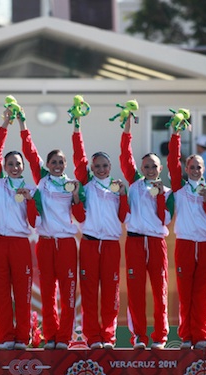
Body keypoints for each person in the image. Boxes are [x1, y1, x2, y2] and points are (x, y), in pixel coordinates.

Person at [20, 116, 84, 350]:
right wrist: (22, 125)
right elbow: (29, 152)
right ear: (47, 165)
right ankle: (51, 336)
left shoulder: (72, 185)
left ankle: (64, 338)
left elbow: (80, 216)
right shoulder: (42, 181)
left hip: (66, 243)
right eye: (53, 162)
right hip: (46, 243)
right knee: (48, 294)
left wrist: (76, 196)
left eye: (61, 161)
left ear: (65, 164)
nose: (57, 165)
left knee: (67, 295)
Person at [71, 119, 129, 350]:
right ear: (92, 169)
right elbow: (80, 216)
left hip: (111, 245)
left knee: (110, 294)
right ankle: (92, 337)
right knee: (89, 292)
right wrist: (77, 129)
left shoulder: (117, 187)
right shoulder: (86, 186)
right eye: (97, 166)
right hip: (90, 244)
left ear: (110, 166)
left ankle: (108, 336)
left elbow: (124, 217)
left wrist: (123, 195)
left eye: (105, 165)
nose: (101, 169)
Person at [119, 115, 173, 350]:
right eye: (146, 166)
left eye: (154, 166)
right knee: (136, 292)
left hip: (156, 243)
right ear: (141, 169)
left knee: (160, 292)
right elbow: (124, 155)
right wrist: (128, 127)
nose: (150, 170)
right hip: (134, 243)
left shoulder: (168, 192)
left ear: (161, 168)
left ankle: (160, 337)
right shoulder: (134, 184)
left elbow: (165, 219)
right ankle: (139, 337)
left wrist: (161, 196)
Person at [0, 109, 38, 351]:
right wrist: (6, 124)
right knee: (0, 292)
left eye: (18, 163)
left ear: (23, 166)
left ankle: (22, 338)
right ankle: (5, 337)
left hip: (19, 243)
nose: (15, 167)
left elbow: (33, 221)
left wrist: (29, 200)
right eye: (11, 164)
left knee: (22, 293)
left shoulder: (30, 189)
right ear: (5, 166)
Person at [167, 129, 206, 350]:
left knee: (204, 294)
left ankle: (202, 336)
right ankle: (186, 337)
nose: (196, 170)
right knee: (185, 293)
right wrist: (176, 134)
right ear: (185, 169)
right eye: (191, 167)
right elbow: (171, 161)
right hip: (186, 244)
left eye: (199, 167)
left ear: (204, 169)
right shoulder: (179, 189)